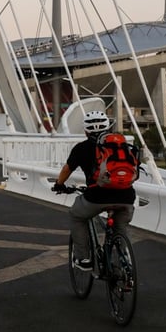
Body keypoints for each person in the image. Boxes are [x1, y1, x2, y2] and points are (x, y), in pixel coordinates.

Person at [52, 110, 136, 271]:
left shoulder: (82, 148)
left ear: (85, 130)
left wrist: (59, 185)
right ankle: (126, 266)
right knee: (121, 228)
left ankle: (84, 259)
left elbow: (66, 170)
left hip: (97, 197)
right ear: (108, 126)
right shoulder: (122, 146)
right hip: (126, 197)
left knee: (77, 216)